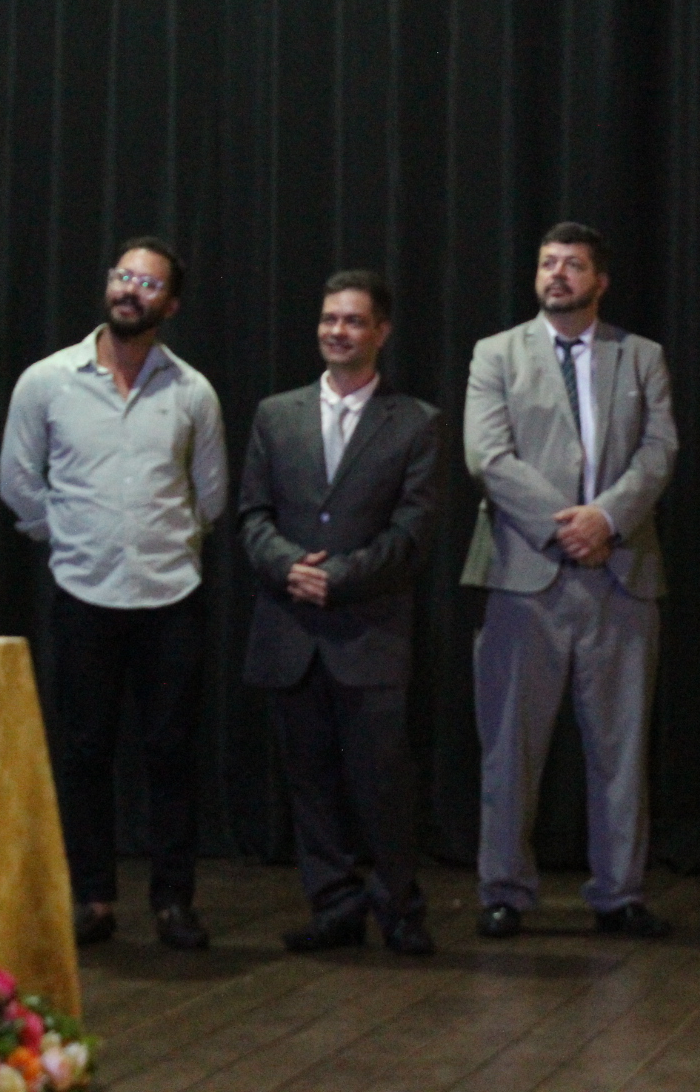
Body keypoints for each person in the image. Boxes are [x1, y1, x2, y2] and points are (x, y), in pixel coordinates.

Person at [0, 237, 227, 950]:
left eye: (149, 284)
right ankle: (93, 898)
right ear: (108, 285)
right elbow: (19, 482)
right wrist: (72, 538)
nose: (132, 290)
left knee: (171, 754)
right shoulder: (46, 382)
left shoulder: (193, 392)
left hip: (170, 598)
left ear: (171, 305)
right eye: (124, 277)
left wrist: (165, 541)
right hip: (83, 594)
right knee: (84, 753)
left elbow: (212, 496)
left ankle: (173, 902)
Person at [463, 222, 678, 939]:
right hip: (523, 576)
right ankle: (503, 890)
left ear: (600, 280)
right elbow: (487, 457)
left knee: (621, 750)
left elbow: (659, 452)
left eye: (574, 265)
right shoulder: (495, 353)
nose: (557, 274)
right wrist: (566, 526)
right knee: (509, 748)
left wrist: (605, 520)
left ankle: (619, 894)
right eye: (548, 262)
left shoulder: (641, 356)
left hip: (620, 575)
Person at [237, 270, 442, 957]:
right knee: (310, 785)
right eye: (329, 319)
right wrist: (285, 565)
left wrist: (338, 579)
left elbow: (413, 533)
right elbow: (252, 515)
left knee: (384, 786)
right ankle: (334, 907)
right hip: (290, 632)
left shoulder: (416, 422)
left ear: (381, 331)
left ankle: (399, 909)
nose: (337, 331)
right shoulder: (275, 414)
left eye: (353, 321)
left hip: (370, 634)